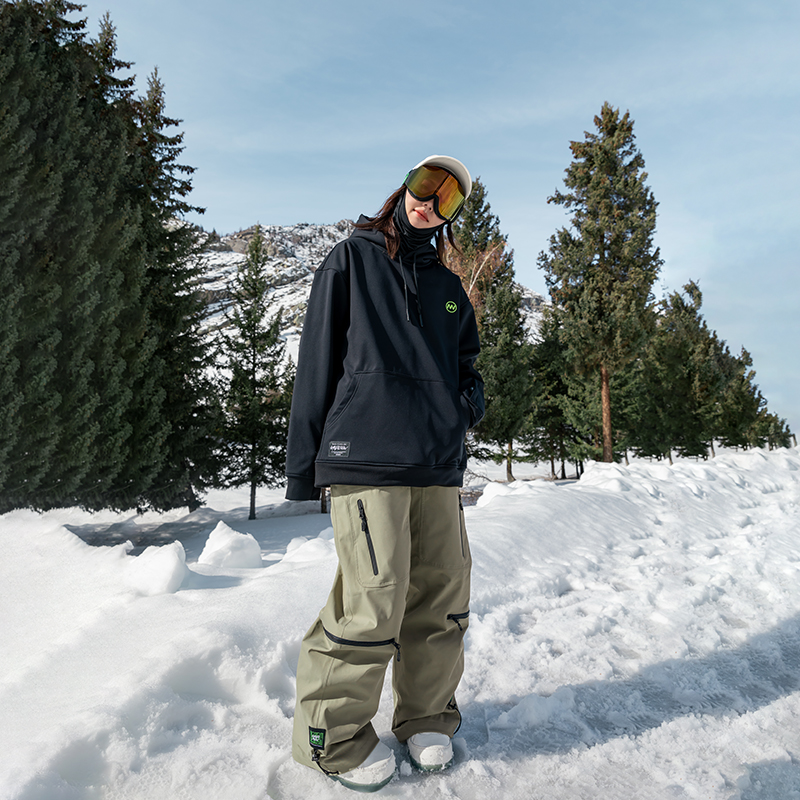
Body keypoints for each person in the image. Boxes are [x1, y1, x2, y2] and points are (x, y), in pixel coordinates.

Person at [285, 155, 484, 792]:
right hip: (366, 456)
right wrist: (303, 464)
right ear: (405, 187)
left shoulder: (451, 291)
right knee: (375, 598)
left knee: (442, 597)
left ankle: (426, 715)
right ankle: (332, 738)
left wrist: (463, 409)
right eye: (427, 186)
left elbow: (468, 369)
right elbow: (317, 358)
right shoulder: (352, 260)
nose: (431, 203)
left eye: (448, 200)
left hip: (436, 464)